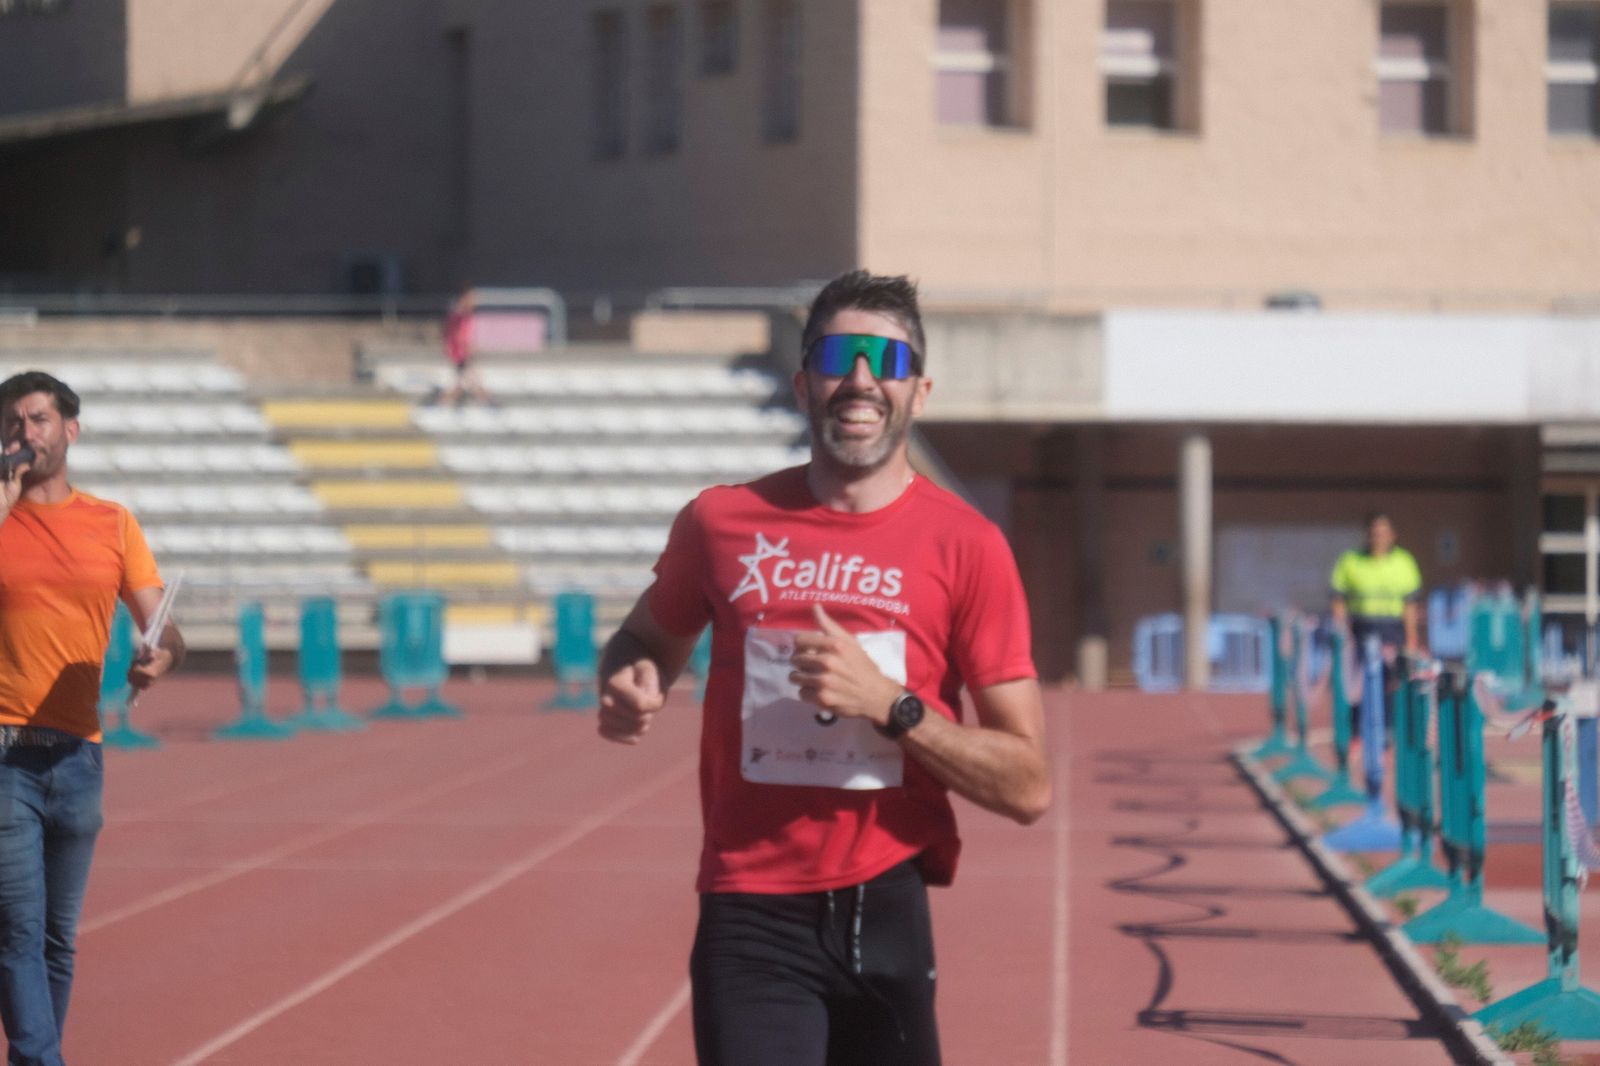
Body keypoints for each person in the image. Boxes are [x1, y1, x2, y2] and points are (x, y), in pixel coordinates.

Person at [596, 270, 1050, 1065]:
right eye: (842, 355)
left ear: (919, 390)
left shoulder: (968, 547)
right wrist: (631, 678)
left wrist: (892, 705)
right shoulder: (721, 522)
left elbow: (1027, 786)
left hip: (888, 901)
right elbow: (643, 640)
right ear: (805, 381)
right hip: (750, 911)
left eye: (889, 359)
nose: (863, 379)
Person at [0, 371, 184, 1066]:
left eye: (39, 419)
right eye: (13, 423)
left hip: (79, 754)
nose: (26, 433)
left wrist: (157, 658)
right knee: (16, 930)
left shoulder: (111, 523)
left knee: (55, 938)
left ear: (69, 430)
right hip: (6, 751)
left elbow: (164, 628)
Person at [435, 287, 494, 407]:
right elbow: (458, 336)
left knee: (465, 383)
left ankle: (489, 404)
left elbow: (449, 334)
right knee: (470, 383)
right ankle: (490, 406)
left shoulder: (460, 315)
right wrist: (467, 349)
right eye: (472, 298)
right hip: (461, 355)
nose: (475, 301)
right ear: (465, 298)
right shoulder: (460, 316)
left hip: (461, 355)